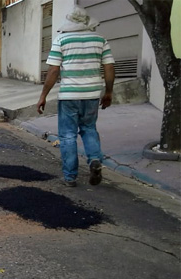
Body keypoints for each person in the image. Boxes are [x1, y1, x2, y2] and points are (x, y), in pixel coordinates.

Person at [37, 6, 115, 187]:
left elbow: (54, 70)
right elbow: (109, 68)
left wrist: (43, 95)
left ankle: (70, 177)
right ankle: (95, 160)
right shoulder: (100, 40)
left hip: (69, 96)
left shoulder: (61, 40)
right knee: (89, 129)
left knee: (68, 136)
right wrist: (109, 92)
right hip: (92, 94)